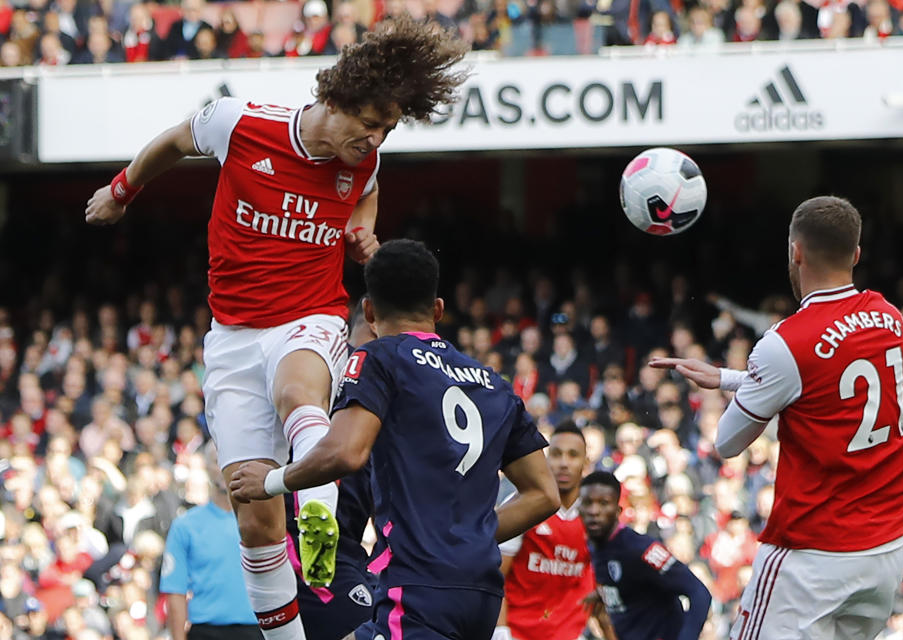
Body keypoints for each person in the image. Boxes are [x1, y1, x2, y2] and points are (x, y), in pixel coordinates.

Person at [85, 19, 468, 640]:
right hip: (232, 334)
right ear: (337, 98)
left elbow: (366, 191)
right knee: (257, 523)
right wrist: (121, 191)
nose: (374, 137)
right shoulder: (241, 122)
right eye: (370, 121)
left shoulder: (362, 157)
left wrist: (362, 229)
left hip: (311, 316)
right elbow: (174, 142)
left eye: (387, 129)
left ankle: (317, 508)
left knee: (299, 391)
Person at [229, 239, 561, 640]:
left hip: (418, 587)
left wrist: (269, 483)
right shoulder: (494, 383)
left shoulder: (380, 358)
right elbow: (544, 494)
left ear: (369, 312)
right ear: (438, 309)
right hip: (481, 591)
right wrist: (467, 539)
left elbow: (347, 453)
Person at [651, 196, 903, 639]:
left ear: (795, 251)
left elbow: (727, 442)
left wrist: (744, 383)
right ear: (856, 254)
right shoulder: (888, 317)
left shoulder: (785, 342)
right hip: (884, 551)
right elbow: (828, 384)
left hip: (814, 557)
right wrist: (730, 378)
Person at [287, 306, 378, 640]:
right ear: (374, 322)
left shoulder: (313, 368)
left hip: (348, 546)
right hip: (308, 544)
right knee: (374, 625)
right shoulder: (360, 372)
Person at [580, 471, 710, 640]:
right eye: (588, 503)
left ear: (618, 510)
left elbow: (699, 592)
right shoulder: (589, 550)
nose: (594, 511)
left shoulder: (641, 549)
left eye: (603, 503)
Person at [496, 422, 596, 640]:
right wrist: (500, 631)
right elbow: (495, 575)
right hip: (518, 633)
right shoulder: (523, 505)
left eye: (573, 455)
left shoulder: (595, 516)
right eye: (556, 454)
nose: (564, 463)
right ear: (546, 460)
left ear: (585, 463)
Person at [160, 442, 262, 640]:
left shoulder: (263, 522)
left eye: (231, 459)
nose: (224, 467)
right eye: (217, 461)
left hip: (257, 630)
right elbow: (175, 593)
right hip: (205, 631)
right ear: (206, 466)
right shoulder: (185, 526)